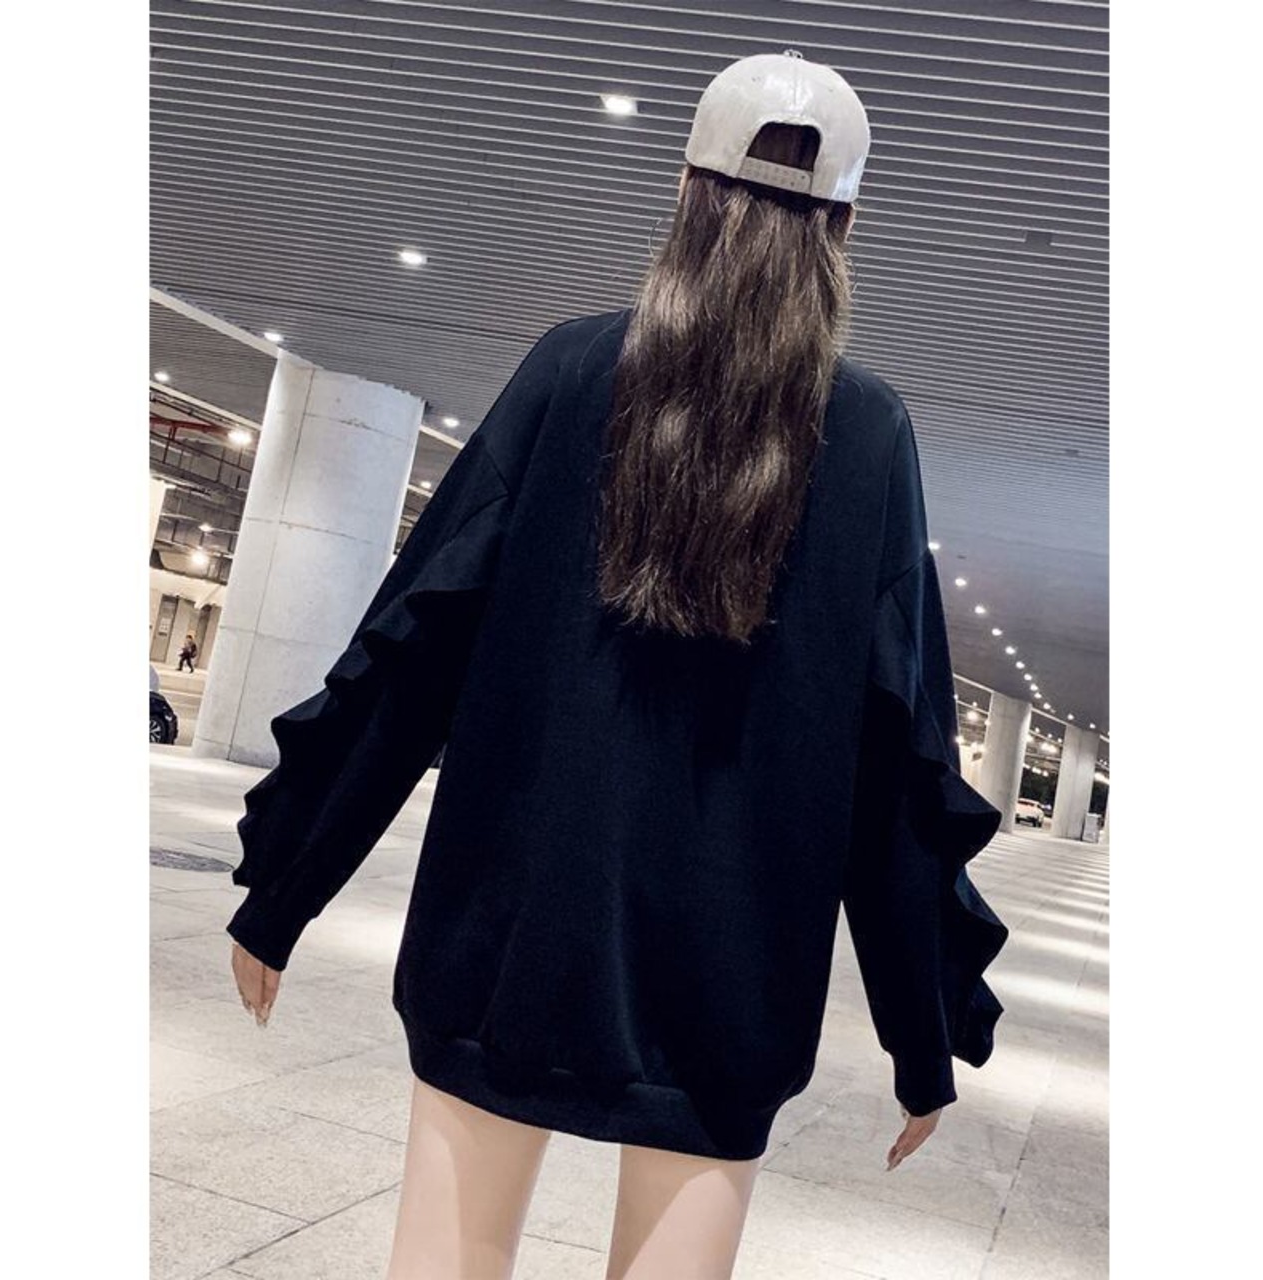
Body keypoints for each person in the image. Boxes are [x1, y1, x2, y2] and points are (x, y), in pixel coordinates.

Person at [225, 50, 1009, 1280]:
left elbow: (411, 647)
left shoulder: (570, 368)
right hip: (732, 972)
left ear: (683, 188)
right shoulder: (867, 435)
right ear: (846, 230)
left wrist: (286, 883)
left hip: (506, 932)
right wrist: (923, 1031)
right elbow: (893, 758)